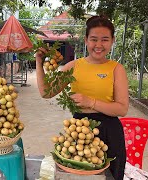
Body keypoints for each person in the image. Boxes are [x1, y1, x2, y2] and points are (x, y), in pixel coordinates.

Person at [35, 15, 128, 180]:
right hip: (78, 130)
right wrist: (39, 62)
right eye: (93, 39)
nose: (98, 45)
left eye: (105, 40)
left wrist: (90, 102)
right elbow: (46, 92)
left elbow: (122, 108)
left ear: (112, 41)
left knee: (110, 176)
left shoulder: (116, 69)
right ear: (86, 40)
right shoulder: (73, 66)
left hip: (109, 132)